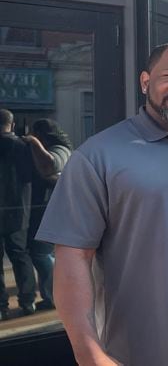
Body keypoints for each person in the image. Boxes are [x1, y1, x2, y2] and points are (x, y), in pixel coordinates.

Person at [36, 42, 168, 365]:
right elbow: (72, 258)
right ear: (145, 82)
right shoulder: (98, 155)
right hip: (142, 351)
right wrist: (87, 351)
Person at [21, 118, 73, 311]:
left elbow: (50, 165)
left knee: (41, 253)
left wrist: (34, 143)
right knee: (43, 253)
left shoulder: (61, 149)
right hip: (47, 209)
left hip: (51, 209)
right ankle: (52, 295)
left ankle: (53, 296)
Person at [0, 109, 36, 320]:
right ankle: (27, 301)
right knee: (20, 255)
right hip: (18, 210)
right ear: (12, 125)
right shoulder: (22, 146)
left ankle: (1, 306)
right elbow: (29, 177)